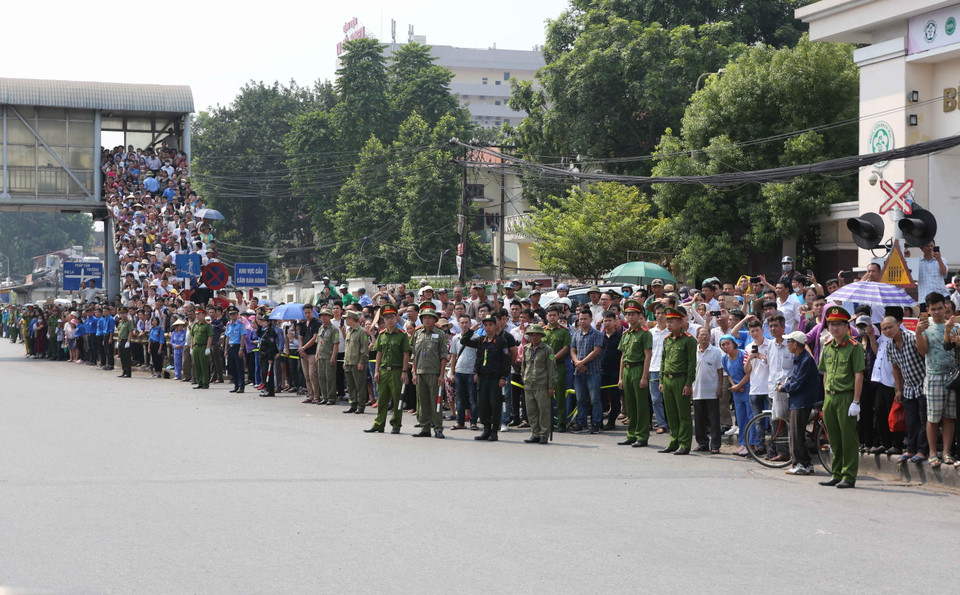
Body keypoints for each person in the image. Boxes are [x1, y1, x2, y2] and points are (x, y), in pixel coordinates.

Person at [818, 305, 865, 488]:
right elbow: (826, 374)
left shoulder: (854, 347)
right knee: (834, 439)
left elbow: (858, 375)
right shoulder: (828, 346)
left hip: (846, 397)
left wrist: (856, 401)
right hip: (830, 398)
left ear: (847, 326)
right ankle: (836, 473)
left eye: (839, 324)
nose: (835, 328)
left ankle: (849, 476)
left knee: (848, 439)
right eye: (831, 324)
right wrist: (825, 397)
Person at [916, 292, 958, 468]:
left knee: (949, 417)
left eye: (940, 308)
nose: (938, 312)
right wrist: (918, 333)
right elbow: (923, 351)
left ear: (945, 307)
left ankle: (946, 452)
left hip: (953, 377)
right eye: (933, 309)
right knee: (933, 418)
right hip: (933, 376)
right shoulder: (925, 327)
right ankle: (933, 453)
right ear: (928, 310)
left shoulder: (954, 326)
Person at [459, 315, 511, 442]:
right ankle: (486, 429)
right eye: (485, 325)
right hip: (482, 378)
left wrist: (503, 377)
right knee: (483, 405)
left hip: (495, 378)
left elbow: (506, 360)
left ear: (495, 325)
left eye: (490, 325)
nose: (488, 328)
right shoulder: (480, 340)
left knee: (495, 404)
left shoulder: (501, 341)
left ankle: (494, 431)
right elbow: (464, 341)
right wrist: (471, 330)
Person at [364, 304, 412, 435]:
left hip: (397, 371)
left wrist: (404, 372)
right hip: (384, 370)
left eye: (392, 317)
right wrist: (376, 371)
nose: (389, 320)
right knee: (382, 399)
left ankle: (396, 424)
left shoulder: (402, 335)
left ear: (396, 318)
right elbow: (379, 353)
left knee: (397, 400)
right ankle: (379, 424)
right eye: (386, 317)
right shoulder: (381, 335)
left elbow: (405, 354)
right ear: (383, 320)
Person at [779, 331, 821, 475]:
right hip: (798, 400)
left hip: (802, 401)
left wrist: (784, 387)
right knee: (797, 434)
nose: (787, 345)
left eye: (789, 342)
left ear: (795, 344)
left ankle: (800, 464)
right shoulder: (799, 358)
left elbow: (799, 383)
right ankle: (806, 463)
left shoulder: (805, 360)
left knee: (796, 434)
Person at [659, 307, 697, 455]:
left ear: (681, 322)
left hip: (681, 379)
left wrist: (689, 383)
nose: (668, 324)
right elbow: (663, 360)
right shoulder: (667, 340)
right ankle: (673, 441)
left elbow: (691, 364)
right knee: (671, 413)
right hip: (667, 379)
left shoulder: (688, 340)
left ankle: (684, 444)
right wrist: (662, 379)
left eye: (672, 321)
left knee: (683, 414)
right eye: (667, 321)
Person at [617, 299, 652, 447]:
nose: (630, 317)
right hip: (627, 370)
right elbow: (622, 356)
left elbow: (648, 355)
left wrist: (644, 376)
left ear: (640, 316)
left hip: (638, 369)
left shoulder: (645, 333)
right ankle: (631, 434)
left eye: (633, 314)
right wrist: (620, 377)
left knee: (641, 405)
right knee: (630, 405)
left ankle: (642, 436)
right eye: (627, 314)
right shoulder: (625, 334)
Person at [411, 303, 448, 438]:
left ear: (434, 320)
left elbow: (443, 356)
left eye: (430, 317)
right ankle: (425, 428)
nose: (427, 320)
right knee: (423, 402)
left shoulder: (440, 334)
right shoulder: (417, 334)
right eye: (424, 317)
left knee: (435, 402)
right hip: (420, 372)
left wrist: (442, 375)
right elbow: (414, 354)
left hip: (434, 373)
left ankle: (438, 428)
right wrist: (414, 371)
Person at [570, 306, 605, 434]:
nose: (582, 321)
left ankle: (596, 423)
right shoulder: (576, 333)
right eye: (580, 319)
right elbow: (572, 350)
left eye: (585, 319)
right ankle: (582, 422)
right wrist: (576, 362)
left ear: (590, 319)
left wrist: (582, 362)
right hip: (578, 372)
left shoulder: (597, 334)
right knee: (580, 399)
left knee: (595, 399)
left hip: (593, 372)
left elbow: (596, 351)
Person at [520, 324, 556, 444]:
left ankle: (544, 434)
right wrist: (524, 378)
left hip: (542, 385)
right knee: (531, 411)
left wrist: (551, 386)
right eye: (532, 335)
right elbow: (524, 366)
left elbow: (551, 369)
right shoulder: (526, 348)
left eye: (537, 335)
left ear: (541, 335)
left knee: (543, 410)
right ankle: (535, 433)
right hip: (529, 384)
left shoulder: (548, 350)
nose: (534, 337)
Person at [693, 327, 723, 453]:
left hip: (712, 390)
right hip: (697, 390)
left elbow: (720, 371)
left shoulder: (716, 351)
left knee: (714, 420)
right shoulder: (693, 351)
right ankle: (702, 443)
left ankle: (715, 445)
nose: (704, 337)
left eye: (707, 334)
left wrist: (720, 387)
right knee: (699, 420)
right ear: (697, 337)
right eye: (702, 334)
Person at [720, 335, 751, 456]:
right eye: (723, 345)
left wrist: (739, 385)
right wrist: (734, 385)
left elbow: (749, 372)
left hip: (747, 388)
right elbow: (728, 374)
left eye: (728, 344)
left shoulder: (743, 354)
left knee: (750, 417)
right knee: (741, 419)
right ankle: (742, 444)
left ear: (734, 344)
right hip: (737, 391)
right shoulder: (724, 359)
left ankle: (751, 444)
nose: (725, 347)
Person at [342, 310, 369, 414]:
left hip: (357, 362)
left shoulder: (362, 331)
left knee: (360, 385)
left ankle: (361, 405)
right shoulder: (349, 331)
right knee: (351, 386)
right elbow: (347, 347)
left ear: (351, 319)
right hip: (349, 362)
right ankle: (353, 404)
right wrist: (345, 361)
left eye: (346, 318)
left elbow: (364, 349)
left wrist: (362, 362)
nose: (345, 320)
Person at [316, 308, 339, 405]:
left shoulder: (334, 329)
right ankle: (324, 397)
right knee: (321, 377)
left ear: (330, 316)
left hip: (329, 356)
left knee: (330, 377)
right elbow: (318, 343)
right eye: (321, 315)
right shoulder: (321, 328)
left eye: (326, 315)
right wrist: (316, 354)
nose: (323, 317)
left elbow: (336, 344)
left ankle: (331, 397)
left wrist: (333, 357)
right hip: (321, 355)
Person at [225, 306, 246, 394]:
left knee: (239, 367)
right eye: (230, 314)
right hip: (231, 346)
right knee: (232, 367)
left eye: (233, 314)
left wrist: (241, 349)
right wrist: (225, 349)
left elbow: (242, 337)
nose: (232, 316)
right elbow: (227, 337)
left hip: (237, 346)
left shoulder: (241, 324)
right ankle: (236, 385)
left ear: (237, 314)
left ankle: (241, 386)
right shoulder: (229, 324)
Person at [191, 310, 213, 390]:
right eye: (196, 314)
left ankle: (205, 382)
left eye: (198, 314)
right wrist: (191, 347)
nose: (197, 315)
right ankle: (199, 382)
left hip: (203, 346)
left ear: (203, 314)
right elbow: (193, 336)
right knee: (197, 365)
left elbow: (210, 336)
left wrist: (208, 347)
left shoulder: (207, 325)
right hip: (196, 347)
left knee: (204, 365)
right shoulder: (195, 325)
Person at [116, 307, 134, 378]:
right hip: (121, 340)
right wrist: (118, 340)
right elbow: (119, 332)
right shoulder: (120, 323)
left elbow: (131, 332)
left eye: (124, 313)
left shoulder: (129, 322)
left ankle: (128, 373)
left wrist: (128, 341)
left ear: (126, 314)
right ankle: (124, 371)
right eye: (121, 313)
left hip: (126, 340)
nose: (122, 315)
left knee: (127, 358)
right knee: (122, 357)